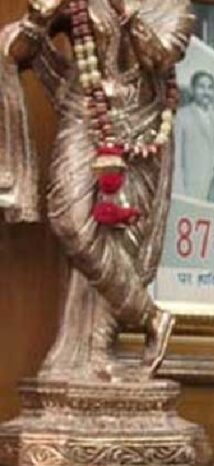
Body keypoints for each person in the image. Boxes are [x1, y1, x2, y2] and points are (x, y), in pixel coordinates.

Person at [0, 0, 191, 379]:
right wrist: (38, 19)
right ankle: (150, 316)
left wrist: (124, 9)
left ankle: (97, 353)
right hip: (85, 113)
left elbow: (160, 56)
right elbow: (18, 53)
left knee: (118, 237)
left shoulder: (172, 6)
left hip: (142, 127)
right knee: (68, 218)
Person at [174, 70, 214, 202]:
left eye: (210, 87)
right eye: (201, 87)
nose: (206, 92)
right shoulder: (181, 116)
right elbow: (176, 158)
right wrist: (179, 192)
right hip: (190, 188)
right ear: (192, 90)